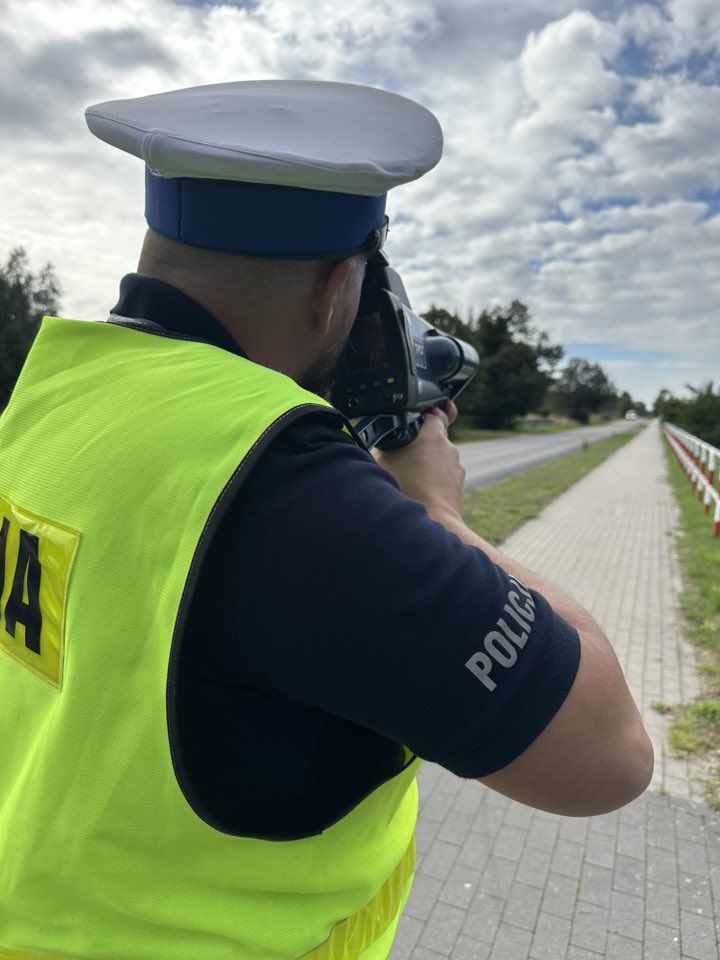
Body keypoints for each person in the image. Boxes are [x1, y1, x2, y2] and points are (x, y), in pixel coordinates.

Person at [0, 81, 652, 960]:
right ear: (339, 288)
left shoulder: (49, 398)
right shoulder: (285, 487)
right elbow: (608, 756)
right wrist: (438, 512)